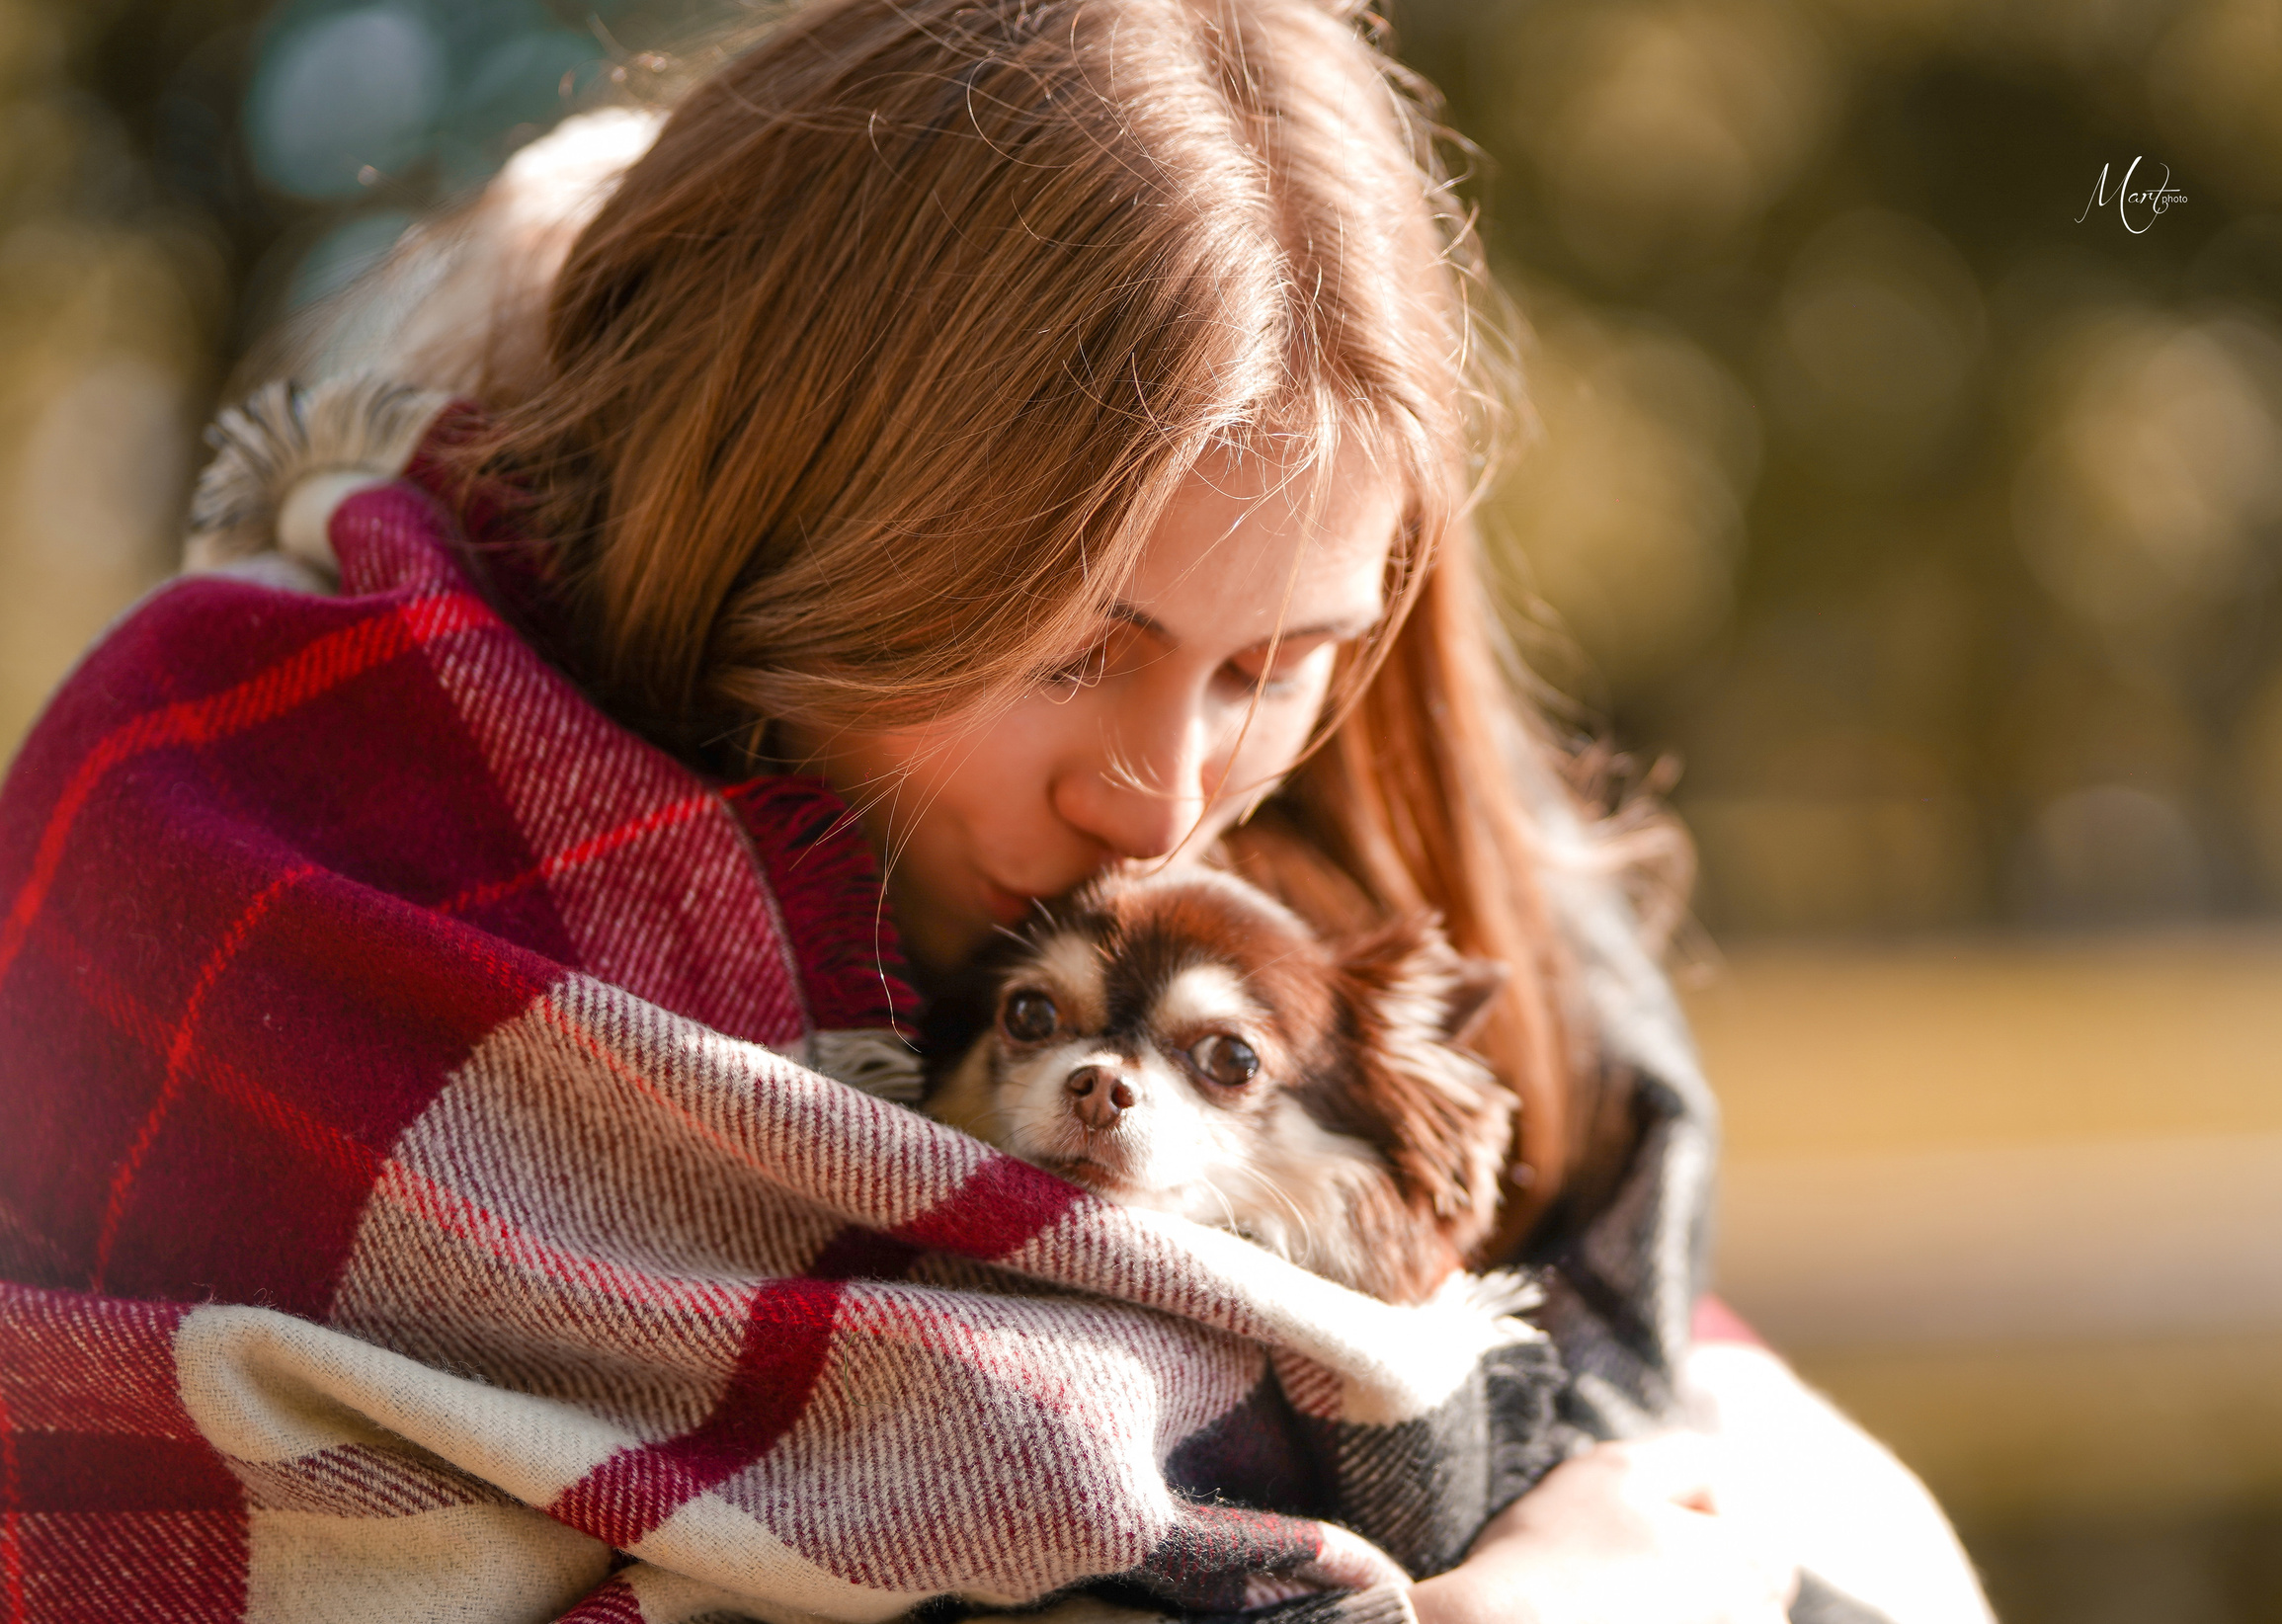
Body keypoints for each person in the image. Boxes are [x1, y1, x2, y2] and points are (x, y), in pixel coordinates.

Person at [0, 3, 1989, 1621]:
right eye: (1068, 649)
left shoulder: (1391, 951)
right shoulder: (230, 831)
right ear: (786, 518)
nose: (1165, 794)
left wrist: (1644, 1547)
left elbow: (1754, 1489)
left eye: (1268, 664)